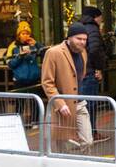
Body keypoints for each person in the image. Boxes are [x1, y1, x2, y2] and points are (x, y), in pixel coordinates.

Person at [40, 23, 94, 151]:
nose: (82, 42)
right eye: (79, 39)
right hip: (63, 106)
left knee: (88, 141)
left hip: (80, 104)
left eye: (85, 39)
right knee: (64, 146)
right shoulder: (53, 53)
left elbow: (80, 75)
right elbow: (47, 82)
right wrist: (59, 103)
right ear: (69, 38)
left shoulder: (83, 52)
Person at [79, 6, 110, 142]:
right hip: (89, 71)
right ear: (95, 17)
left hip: (79, 71)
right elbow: (95, 50)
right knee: (90, 103)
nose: (101, 20)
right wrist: (99, 68)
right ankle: (91, 133)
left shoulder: (79, 27)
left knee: (82, 103)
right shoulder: (93, 29)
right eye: (100, 17)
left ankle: (84, 132)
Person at [5, 22, 41, 86]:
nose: (25, 35)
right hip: (20, 81)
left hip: (35, 80)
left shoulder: (33, 44)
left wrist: (36, 44)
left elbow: (45, 53)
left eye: (27, 34)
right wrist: (20, 56)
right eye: (23, 34)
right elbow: (10, 64)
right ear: (19, 35)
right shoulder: (13, 46)